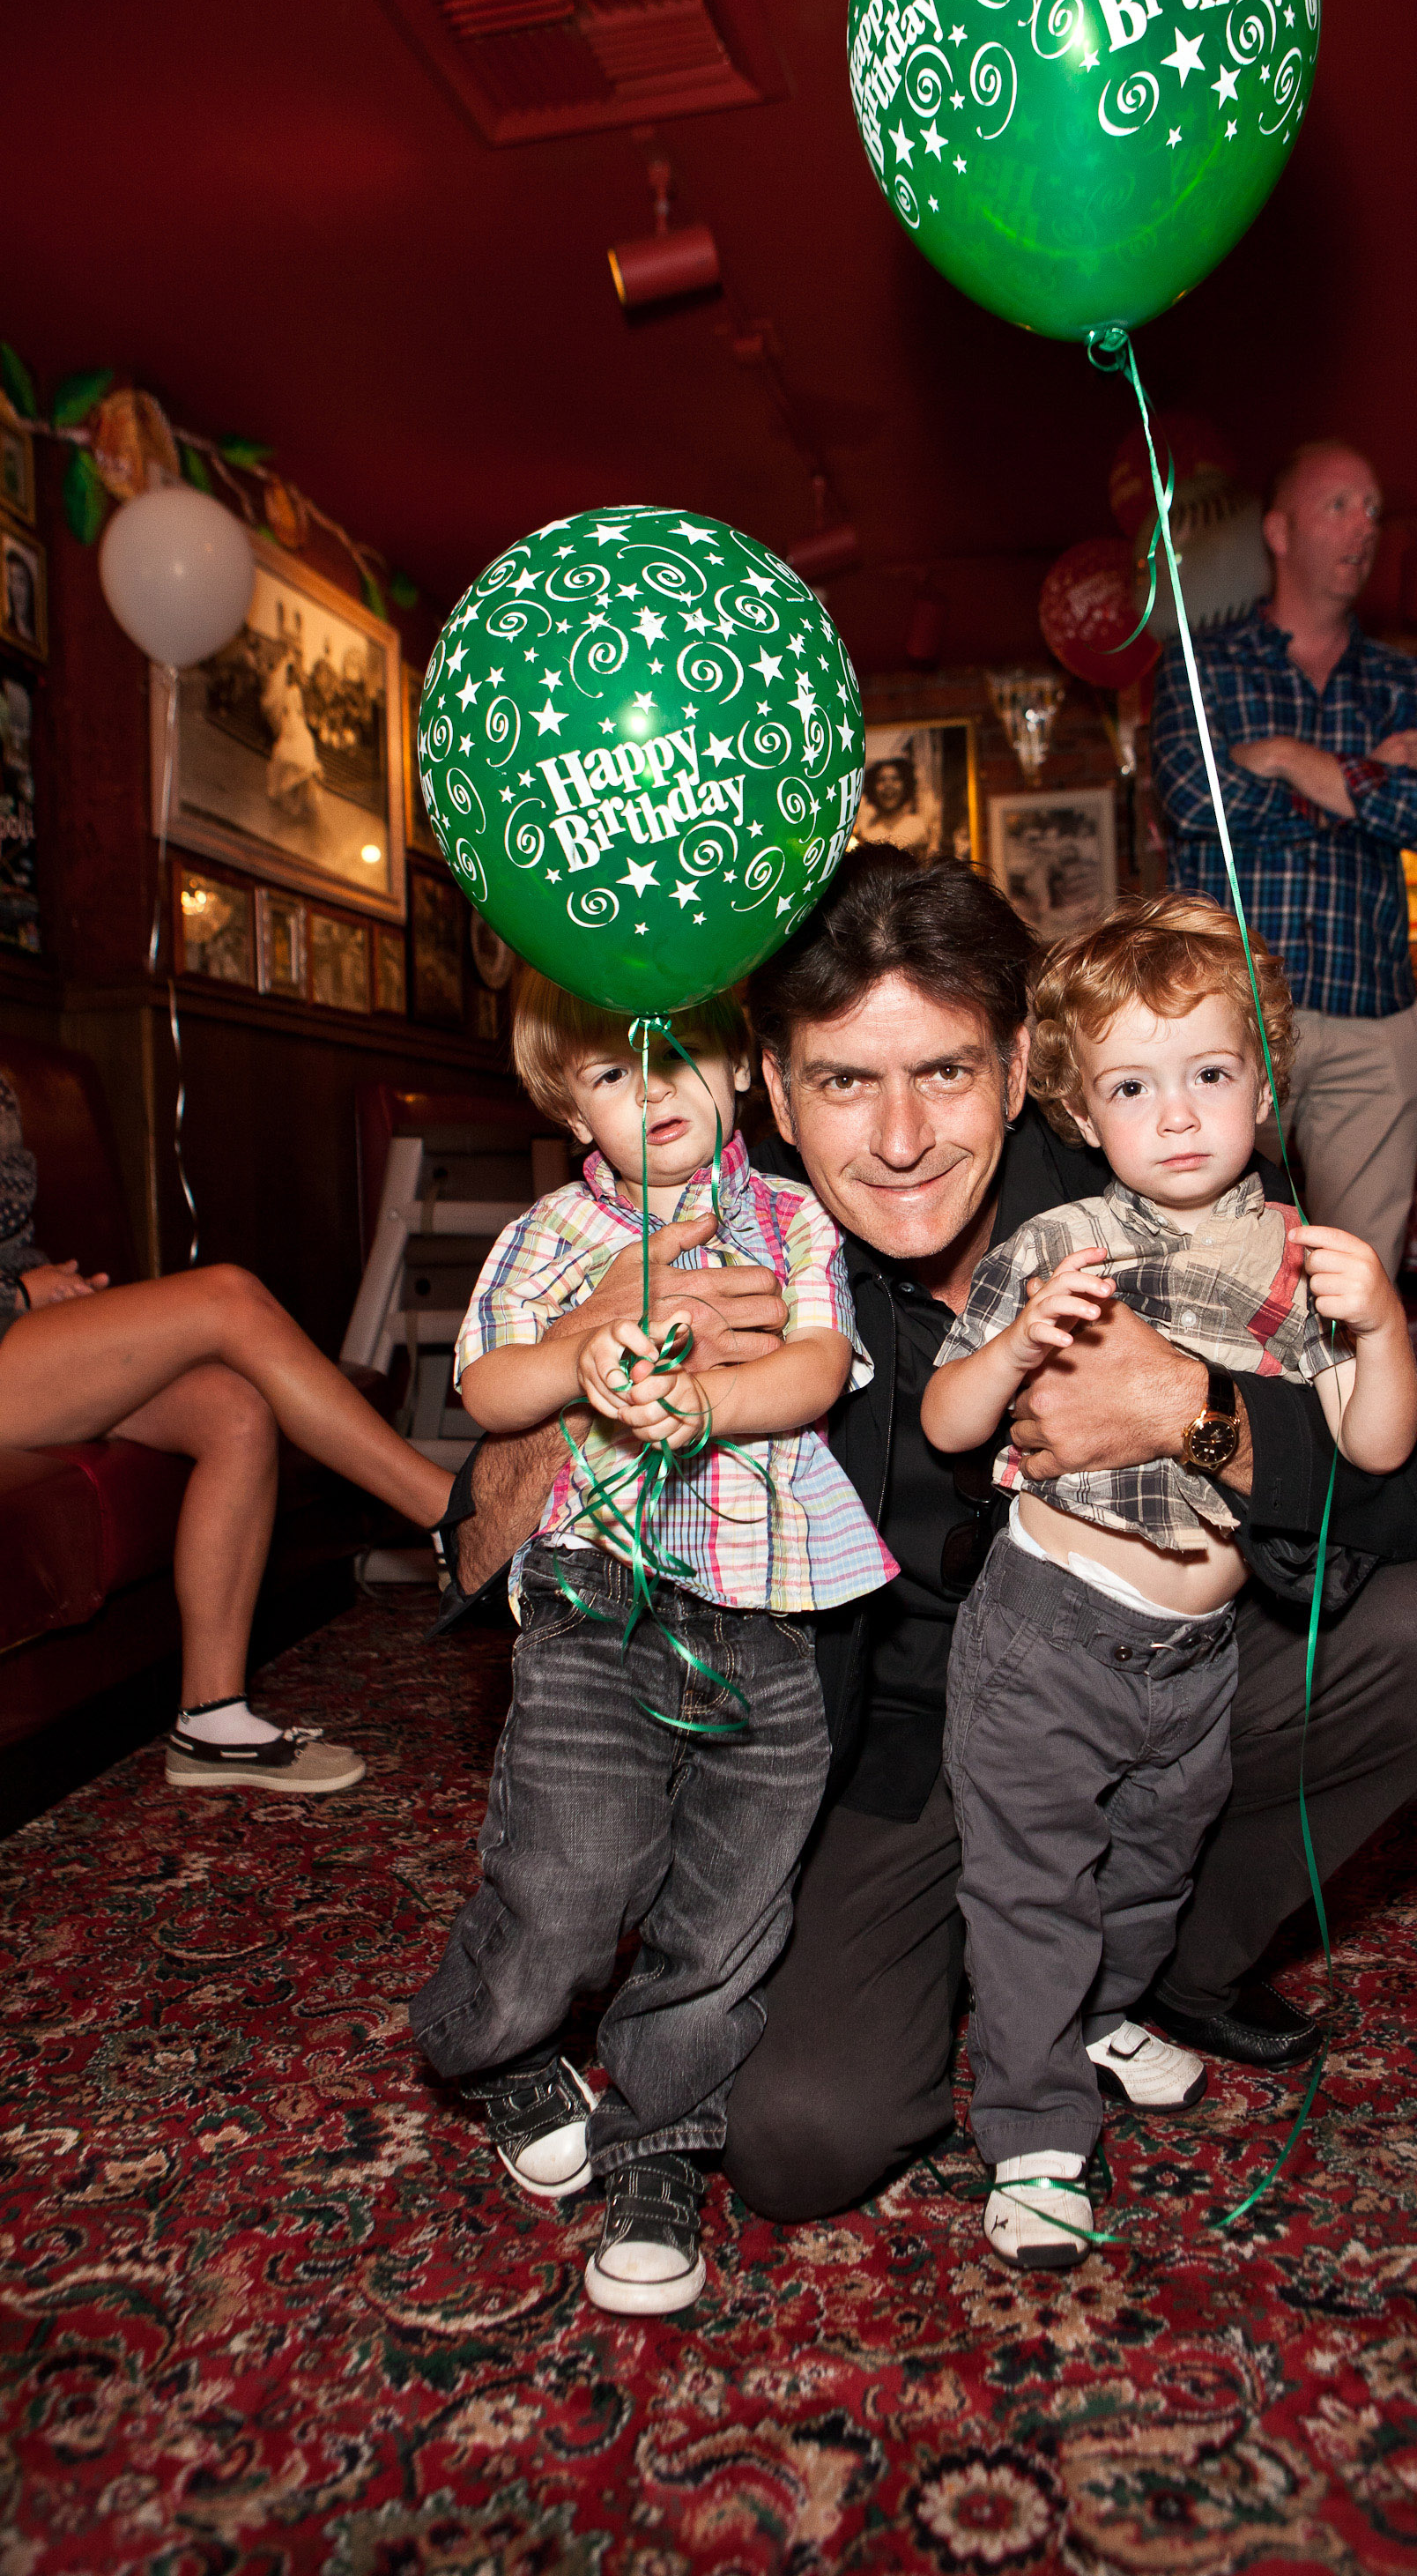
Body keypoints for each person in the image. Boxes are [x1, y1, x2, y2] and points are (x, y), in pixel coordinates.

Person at [436, 854, 1417, 2224]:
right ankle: (999, 1960)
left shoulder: (1154, 1138)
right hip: (881, 1745)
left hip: (1152, 1677)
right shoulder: (712, 1224)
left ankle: (1157, 1967)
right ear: (764, 1082)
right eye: (840, 1083)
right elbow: (471, 1539)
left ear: (1015, 1071)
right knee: (794, 2141)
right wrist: (592, 1365)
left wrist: (1194, 1410)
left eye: (943, 1073)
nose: (897, 1139)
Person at [920, 897, 1417, 2265]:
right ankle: (1032, 2132)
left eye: (1212, 1072)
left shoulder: (1305, 1259)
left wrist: (1379, 1328)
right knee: (1033, 1889)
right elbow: (952, 1427)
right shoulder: (1059, 1242)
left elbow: (1376, 1453)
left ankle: (1105, 2011)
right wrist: (1017, 1343)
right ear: (1082, 1110)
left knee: (1150, 1863)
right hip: (1048, 1637)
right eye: (1136, 1087)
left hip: (1197, 1659)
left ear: (1267, 1075)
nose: (1182, 1114)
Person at [408, 974, 893, 2318]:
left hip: (768, 1610)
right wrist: (584, 1352)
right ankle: (482, 2039)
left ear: (743, 1070)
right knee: (569, 1870)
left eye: (683, 1059)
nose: (658, 1089)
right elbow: (490, 1386)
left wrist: (708, 1403)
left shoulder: (791, 1216)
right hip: (592, 1595)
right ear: (569, 1101)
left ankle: (659, 2150)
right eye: (616, 1074)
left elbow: (813, 1367)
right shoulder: (548, 1233)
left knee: (729, 1912)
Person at [0, 1068, 453, 1793]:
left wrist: (45, 1289)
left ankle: (211, 1721)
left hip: (21, 1333)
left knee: (234, 1409)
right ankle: (450, 1514)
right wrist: (20, 1292)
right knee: (228, 1296)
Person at [1151, 439, 1417, 1279]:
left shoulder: (1404, 679)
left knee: (1361, 1285)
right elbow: (1198, 804)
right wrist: (1365, 783)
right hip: (1233, 1009)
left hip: (1372, 1016)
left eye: (1373, 510)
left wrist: (1281, 758)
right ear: (1280, 531)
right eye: (1341, 505)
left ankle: (1350, 1417)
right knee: (1217, 1280)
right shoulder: (1200, 665)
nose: (1365, 525)